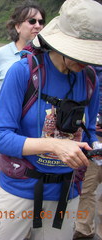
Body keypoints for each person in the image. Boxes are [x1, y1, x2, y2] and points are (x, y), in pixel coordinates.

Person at [0, 0, 102, 239]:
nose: (86, 61)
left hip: (66, 191)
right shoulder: (23, 72)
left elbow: (88, 131)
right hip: (19, 190)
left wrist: (92, 149)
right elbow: (0, 138)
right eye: (80, 52)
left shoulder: (89, 78)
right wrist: (54, 144)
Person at [0, 1, 46, 121]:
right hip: (9, 123)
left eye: (41, 22)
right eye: (32, 21)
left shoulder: (47, 55)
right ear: (18, 26)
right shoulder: (0, 54)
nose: (38, 25)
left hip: (38, 125)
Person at [73, 66, 102, 240]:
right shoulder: (88, 67)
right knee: (87, 187)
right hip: (94, 136)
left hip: (93, 134)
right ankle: (83, 232)